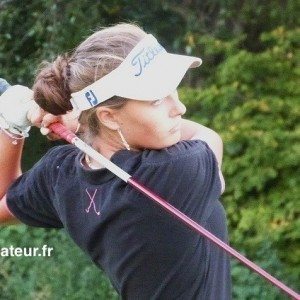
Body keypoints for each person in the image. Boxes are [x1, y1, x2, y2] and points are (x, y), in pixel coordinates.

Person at [0, 23, 231, 299]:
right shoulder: (174, 171)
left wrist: (12, 128)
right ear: (109, 117)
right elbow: (208, 136)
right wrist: (79, 120)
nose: (179, 108)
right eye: (158, 99)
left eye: (173, 91)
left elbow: (5, 201)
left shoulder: (60, 174)